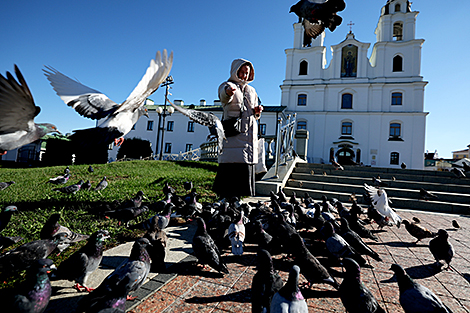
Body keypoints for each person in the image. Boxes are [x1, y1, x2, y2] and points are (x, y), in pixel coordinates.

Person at [213, 58, 263, 199]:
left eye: (246, 73)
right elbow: (224, 97)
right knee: (230, 167)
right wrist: (228, 92)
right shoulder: (227, 84)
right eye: (241, 72)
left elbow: (255, 113)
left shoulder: (252, 90)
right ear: (235, 71)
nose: (244, 75)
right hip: (233, 135)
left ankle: (236, 203)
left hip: (248, 136)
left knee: (244, 171)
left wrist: (257, 111)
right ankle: (225, 200)